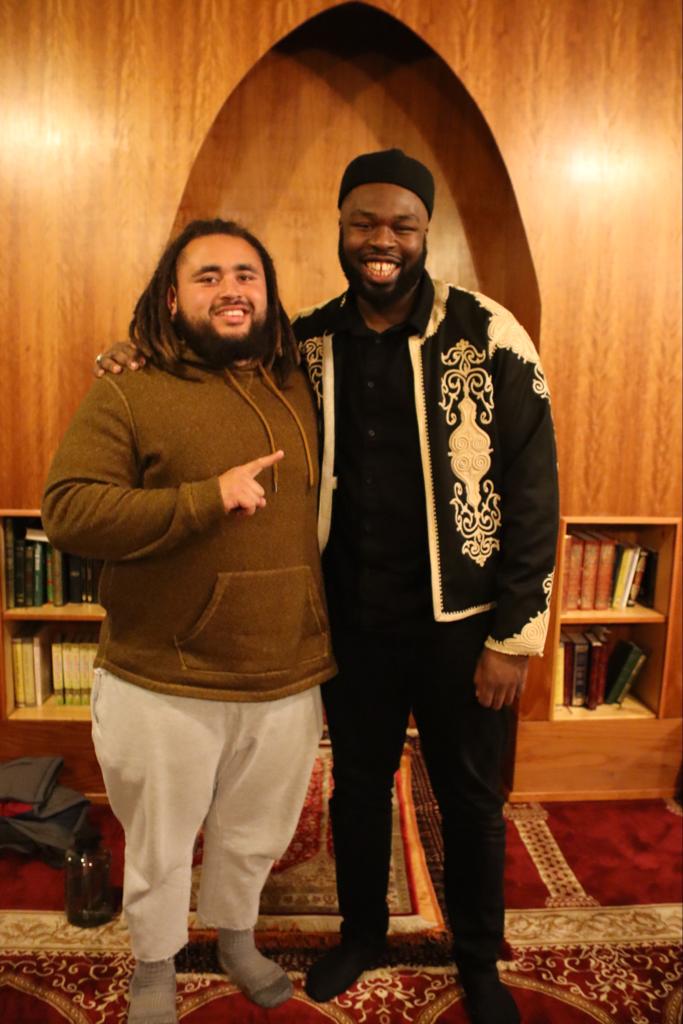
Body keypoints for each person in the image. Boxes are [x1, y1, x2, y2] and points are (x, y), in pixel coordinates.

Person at [95, 149, 559, 1024]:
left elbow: (537, 492)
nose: (381, 240)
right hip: (350, 626)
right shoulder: (301, 342)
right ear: (340, 229)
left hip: (464, 627)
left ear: (425, 233)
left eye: (401, 225)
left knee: (471, 799)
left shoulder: (490, 335)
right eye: (363, 223)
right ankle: (361, 934)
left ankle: (477, 958)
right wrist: (133, 354)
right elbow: (208, 357)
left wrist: (513, 636)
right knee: (357, 789)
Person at [43, 218, 336, 1024]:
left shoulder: (304, 382)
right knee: (163, 845)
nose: (231, 288)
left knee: (253, 836)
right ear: (171, 300)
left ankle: (236, 938)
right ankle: (154, 962)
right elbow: (68, 511)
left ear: (270, 295)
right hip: (160, 676)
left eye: (246, 274)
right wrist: (205, 499)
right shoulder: (126, 388)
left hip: (284, 671)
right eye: (207, 276)